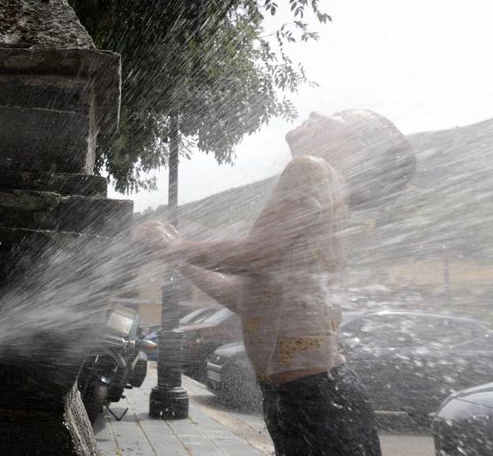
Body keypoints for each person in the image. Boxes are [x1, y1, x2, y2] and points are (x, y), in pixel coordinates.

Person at [139, 109, 416, 456]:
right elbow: (243, 296)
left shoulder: (312, 167)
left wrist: (176, 246)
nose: (316, 113)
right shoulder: (329, 193)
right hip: (309, 397)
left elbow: (257, 254)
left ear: (356, 149)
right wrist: (177, 254)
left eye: (337, 117)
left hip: (314, 397)